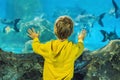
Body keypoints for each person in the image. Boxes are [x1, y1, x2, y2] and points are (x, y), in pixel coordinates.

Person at [27, 16, 86, 80]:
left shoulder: (49, 46)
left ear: (55, 30)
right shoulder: (72, 48)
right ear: (71, 32)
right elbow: (81, 47)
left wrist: (35, 38)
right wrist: (80, 39)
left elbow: (36, 47)